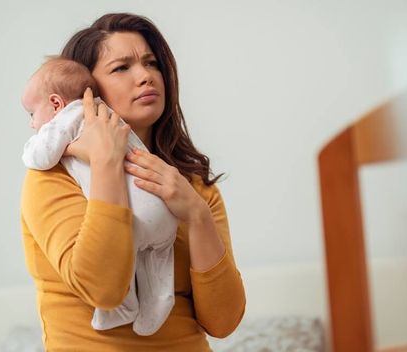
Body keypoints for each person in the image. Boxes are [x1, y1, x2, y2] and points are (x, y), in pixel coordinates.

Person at [20, 13, 246, 351]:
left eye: (152, 63)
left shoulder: (196, 189)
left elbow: (224, 322)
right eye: (121, 68)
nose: (145, 76)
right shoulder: (53, 177)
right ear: (87, 90)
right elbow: (104, 290)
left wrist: (197, 215)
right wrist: (106, 161)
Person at [20, 56, 178, 336]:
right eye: (122, 67)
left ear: (56, 103)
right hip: (162, 208)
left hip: (133, 216)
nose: (33, 124)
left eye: (32, 114)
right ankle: (158, 299)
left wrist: (62, 148)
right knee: (157, 260)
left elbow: (41, 156)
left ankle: (123, 307)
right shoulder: (108, 115)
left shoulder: (72, 115)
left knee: (123, 253)